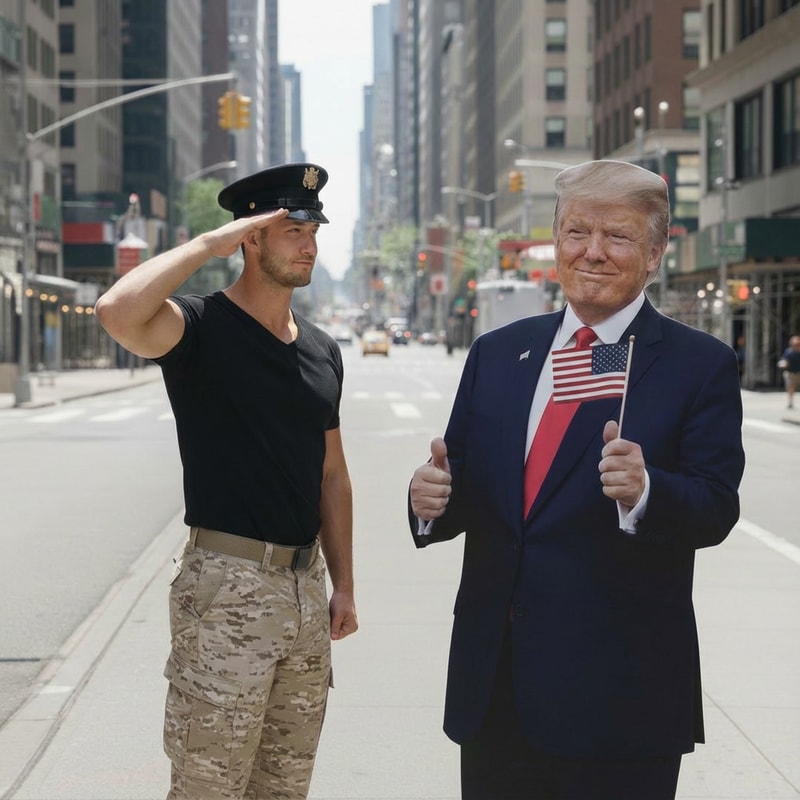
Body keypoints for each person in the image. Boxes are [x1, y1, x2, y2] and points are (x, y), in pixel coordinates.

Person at [408, 160, 745, 800]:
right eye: (577, 232)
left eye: (617, 236)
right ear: (557, 241)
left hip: (620, 700)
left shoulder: (699, 365)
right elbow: (463, 481)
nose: (593, 251)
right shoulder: (498, 352)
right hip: (497, 690)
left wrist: (647, 491)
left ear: (654, 254)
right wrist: (430, 501)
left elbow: (716, 507)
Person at [95, 163, 358, 800]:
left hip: (305, 590)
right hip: (226, 586)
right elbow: (116, 311)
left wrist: (344, 584)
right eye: (291, 229)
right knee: (208, 787)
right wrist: (208, 244)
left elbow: (332, 475)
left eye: (312, 231)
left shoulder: (322, 349)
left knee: (284, 788)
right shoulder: (199, 326)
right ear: (251, 238)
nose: (308, 244)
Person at [777, 334, 800, 408]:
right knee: (790, 387)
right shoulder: (788, 352)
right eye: (794, 344)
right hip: (791, 373)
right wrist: (783, 364)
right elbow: (784, 360)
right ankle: (790, 402)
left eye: (798, 344)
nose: (796, 346)